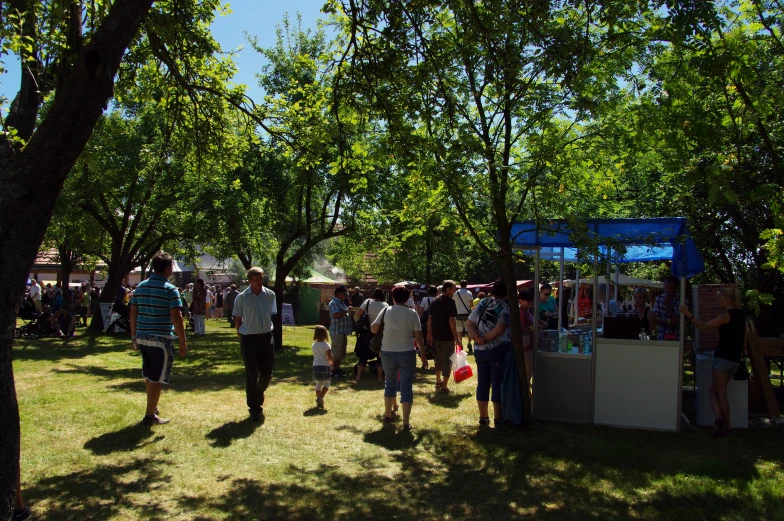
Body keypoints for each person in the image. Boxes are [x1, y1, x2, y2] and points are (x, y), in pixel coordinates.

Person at [129, 251, 188, 426]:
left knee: (149, 375)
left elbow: (133, 312)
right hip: (160, 339)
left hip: (142, 337)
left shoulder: (140, 287)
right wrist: (183, 342)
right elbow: (176, 317)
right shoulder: (170, 289)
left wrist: (134, 336)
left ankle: (152, 408)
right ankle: (149, 416)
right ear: (168, 267)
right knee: (157, 378)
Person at [680, 288, 745, 436]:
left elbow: (703, 326)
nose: (718, 301)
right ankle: (718, 420)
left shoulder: (725, 315)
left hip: (722, 359)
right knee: (714, 390)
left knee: (720, 393)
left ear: (727, 299)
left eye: (719, 299)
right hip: (735, 360)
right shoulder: (741, 315)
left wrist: (687, 313)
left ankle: (725, 426)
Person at [371, 285, 427, 430]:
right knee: (406, 386)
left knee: (389, 383)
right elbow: (419, 337)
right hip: (407, 351)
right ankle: (406, 422)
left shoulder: (386, 310)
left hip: (387, 351)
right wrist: (423, 355)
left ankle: (388, 414)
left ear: (393, 297)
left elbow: (373, 329)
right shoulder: (412, 313)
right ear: (408, 298)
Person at [233, 267, 277, 421]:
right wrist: (241, 335)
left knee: (267, 372)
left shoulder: (270, 295)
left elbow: (271, 315)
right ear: (250, 280)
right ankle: (255, 409)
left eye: (261, 278)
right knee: (252, 374)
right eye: (256, 279)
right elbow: (237, 319)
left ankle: (259, 391)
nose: (260, 281)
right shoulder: (242, 298)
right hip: (249, 339)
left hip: (266, 338)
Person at [466, 280, 511, 426]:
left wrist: (477, 338)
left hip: (480, 352)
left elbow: (469, 323)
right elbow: (499, 330)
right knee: (497, 383)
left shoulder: (483, 302)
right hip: (496, 349)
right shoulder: (505, 307)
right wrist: (483, 338)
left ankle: (483, 417)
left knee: (483, 383)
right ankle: (498, 417)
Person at [428, 280, 461, 393]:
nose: (455, 291)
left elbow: (430, 318)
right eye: (454, 289)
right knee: (448, 360)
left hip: (437, 334)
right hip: (448, 336)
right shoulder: (450, 302)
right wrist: (456, 337)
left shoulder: (434, 301)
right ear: (448, 289)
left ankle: (438, 380)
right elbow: (452, 320)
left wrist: (429, 333)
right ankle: (445, 386)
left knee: (438, 358)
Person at [354, 288, 388, 382]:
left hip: (367, 331)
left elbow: (359, 314)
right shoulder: (385, 305)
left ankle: (358, 376)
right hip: (380, 333)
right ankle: (380, 377)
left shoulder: (368, 302)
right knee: (380, 356)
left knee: (364, 354)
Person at [328, 286, 353, 378]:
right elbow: (336, 315)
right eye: (344, 294)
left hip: (342, 331)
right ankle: (334, 371)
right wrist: (347, 310)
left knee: (340, 353)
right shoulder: (334, 303)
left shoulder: (341, 303)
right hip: (337, 331)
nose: (345, 296)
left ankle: (337, 369)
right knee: (336, 353)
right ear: (338, 294)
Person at [311, 325, 334, 409]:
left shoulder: (314, 345)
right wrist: (332, 362)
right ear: (325, 334)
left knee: (318, 383)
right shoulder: (326, 345)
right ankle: (320, 398)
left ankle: (318, 399)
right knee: (326, 384)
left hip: (316, 366)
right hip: (325, 366)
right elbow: (329, 356)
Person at [654, 275, 683, 340]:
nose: (667, 290)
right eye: (666, 288)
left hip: (676, 339)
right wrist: (669, 321)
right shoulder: (659, 298)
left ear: (676, 288)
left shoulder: (682, 300)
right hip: (661, 338)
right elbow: (655, 319)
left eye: (671, 288)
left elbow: (677, 322)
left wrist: (667, 305)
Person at [518, 289, 536, 392]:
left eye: (532, 300)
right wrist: (534, 327)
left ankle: (528, 394)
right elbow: (521, 329)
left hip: (530, 345)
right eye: (528, 300)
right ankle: (525, 395)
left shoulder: (527, 311)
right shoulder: (521, 312)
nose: (531, 302)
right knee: (527, 373)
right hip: (526, 347)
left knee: (529, 372)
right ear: (520, 300)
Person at [453, 280, 474, 352]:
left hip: (458, 313)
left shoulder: (456, 293)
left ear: (460, 285)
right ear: (466, 285)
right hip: (466, 313)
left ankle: (460, 344)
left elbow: (454, 302)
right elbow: (471, 305)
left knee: (459, 330)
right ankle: (469, 343)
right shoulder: (468, 292)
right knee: (469, 330)